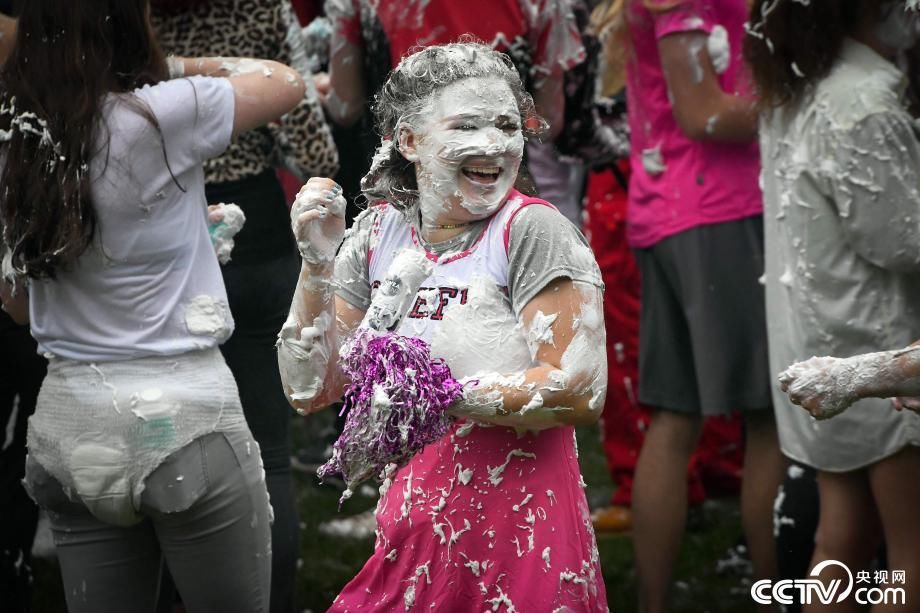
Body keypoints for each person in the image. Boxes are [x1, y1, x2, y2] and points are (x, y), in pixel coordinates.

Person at [279, 42, 609, 610]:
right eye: (466, 125)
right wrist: (316, 268)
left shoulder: (531, 231)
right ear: (409, 140)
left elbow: (580, 388)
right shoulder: (380, 232)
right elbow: (310, 389)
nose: (493, 144)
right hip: (414, 525)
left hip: (524, 534)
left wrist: (438, 394)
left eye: (507, 125)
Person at [0, 2, 306, 611]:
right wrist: (169, 66)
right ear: (127, 26)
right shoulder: (165, 112)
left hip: (69, 428)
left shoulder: (14, 137)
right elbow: (284, 81)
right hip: (186, 420)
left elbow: (17, 309)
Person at [150, 3, 339, 611]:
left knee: (162, 444)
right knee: (267, 452)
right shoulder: (263, 10)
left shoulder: (130, 19)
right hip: (253, 241)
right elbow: (315, 148)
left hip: (164, 239)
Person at [748, 1, 920, 610]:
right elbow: (901, 240)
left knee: (841, 539)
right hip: (879, 348)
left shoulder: (798, 80)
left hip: (818, 341)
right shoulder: (863, 97)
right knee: (911, 554)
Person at [622, 1, 784, 610]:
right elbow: (704, 113)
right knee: (769, 415)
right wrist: (812, 97)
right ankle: (784, 598)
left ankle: (654, 604)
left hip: (674, 209)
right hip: (718, 212)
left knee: (676, 416)